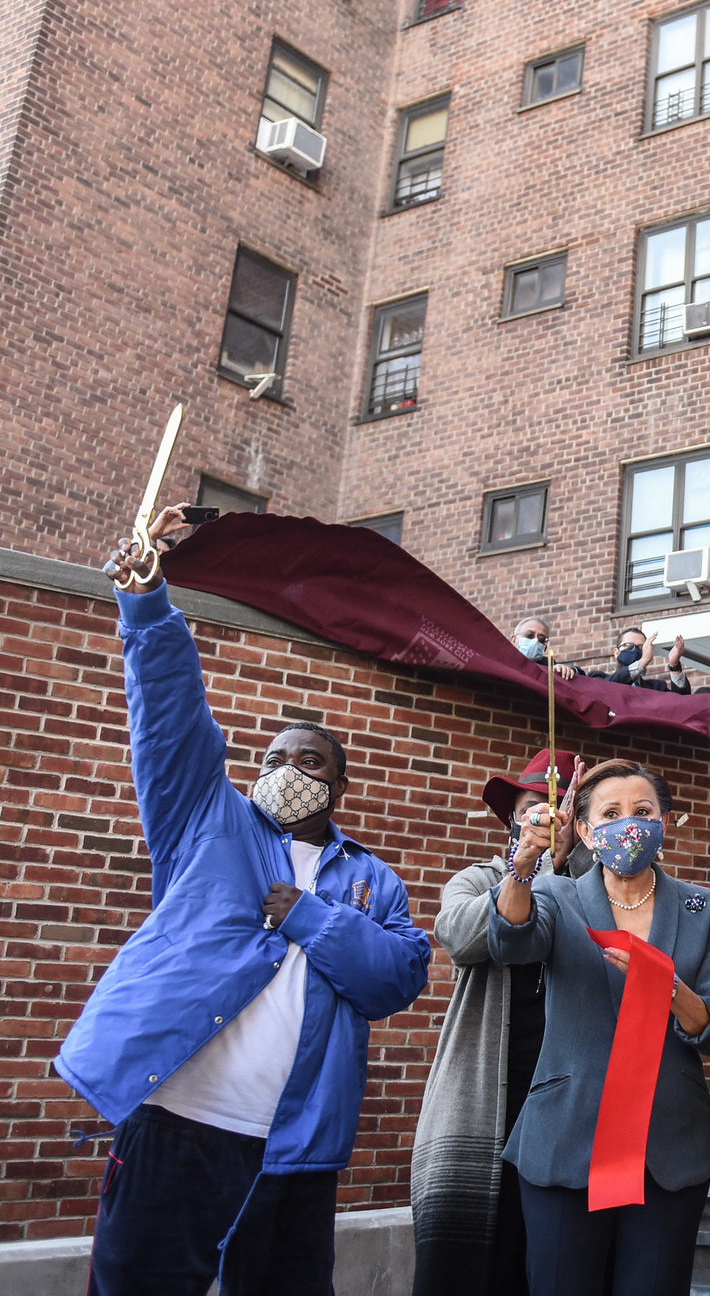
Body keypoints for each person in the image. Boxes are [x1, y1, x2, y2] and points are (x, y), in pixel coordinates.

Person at [70, 506, 431, 1296]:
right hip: (175, 1122)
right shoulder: (210, 822)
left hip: (296, 1146)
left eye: (308, 758)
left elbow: (396, 978)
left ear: (338, 783)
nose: (286, 765)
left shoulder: (374, 879)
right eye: (273, 755)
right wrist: (148, 608)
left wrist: (307, 917)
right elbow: (170, 722)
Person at [490, 758, 710, 1295]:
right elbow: (510, 942)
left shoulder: (704, 909)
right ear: (584, 829)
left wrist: (670, 990)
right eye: (611, 812)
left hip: (667, 1147)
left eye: (643, 811)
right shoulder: (557, 895)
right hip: (566, 1139)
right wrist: (523, 865)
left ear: (665, 822)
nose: (629, 823)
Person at [411, 748, 590, 1296]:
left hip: (568, 1101)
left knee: (552, 1264)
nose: (547, 816)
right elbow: (461, 937)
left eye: (562, 807)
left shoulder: (598, 889)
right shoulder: (475, 878)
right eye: (536, 804)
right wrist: (524, 871)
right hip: (486, 1096)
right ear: (512, 816)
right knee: (463, 1263)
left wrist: (568, 867)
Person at [599, 628, 691, 693]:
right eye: (628, 645)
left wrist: (674, 666)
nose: (635, 650)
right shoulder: (598, 679)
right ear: (616, 652)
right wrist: (643, 661)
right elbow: (604, 689)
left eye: (640, 647)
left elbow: (681, 704)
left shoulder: (657, 688)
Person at [511, 616, 578, 682]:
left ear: (544, 647)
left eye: (541, 639)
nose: (535, 641)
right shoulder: (503, 660)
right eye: (529, 635)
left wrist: (568, 670)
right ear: (514, 640)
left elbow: (580, 674)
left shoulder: (548, 664)